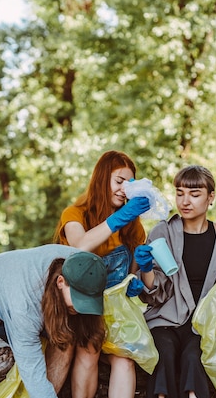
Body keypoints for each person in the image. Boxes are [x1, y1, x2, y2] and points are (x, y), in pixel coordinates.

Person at [0, 245, 108, 398]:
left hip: (11, 303)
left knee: (66, 336)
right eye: (78, 300)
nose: (80, 308)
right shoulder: (25, 303)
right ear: (60, 282)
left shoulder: (89, 267)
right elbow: (32, 371)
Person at [132, 165, 216, 398]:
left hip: (204, 324)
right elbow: (155, 295)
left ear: (211, 197)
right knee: (164, 354)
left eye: (194, 194)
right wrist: (145, 270)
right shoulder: (162, 232)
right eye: (180, 193)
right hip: (165, 319)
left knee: (195, 356)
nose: (185, 201)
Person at [54, 150, 151, 398]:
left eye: (129, 184)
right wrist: (118, 219)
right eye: (118, 181)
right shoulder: (75, 213)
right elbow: (80, 246)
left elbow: (130, 273)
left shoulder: (134, 226)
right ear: (101, 178)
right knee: (89, 348)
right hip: (76, 306)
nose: (123, 190)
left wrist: (136, 278)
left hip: (114, 311)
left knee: (125, 359)